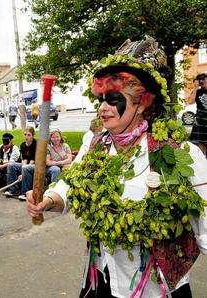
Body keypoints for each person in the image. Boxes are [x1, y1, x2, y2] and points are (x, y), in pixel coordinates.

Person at [26, 36, 207, 297]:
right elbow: (71, 185)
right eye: (100, 99)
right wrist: (49, 200)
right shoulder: (95, 143)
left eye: (113, 99)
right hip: (105, 281)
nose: (102, 108)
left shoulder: (180, 154)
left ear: (143, 101)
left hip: (158, 290)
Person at [19, 129, 72, 200]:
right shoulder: (47, 147)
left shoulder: (65, 146)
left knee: (55, 169)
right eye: (53, 137)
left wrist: (57, 162)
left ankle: (53, 195)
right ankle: (25, 193)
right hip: (44, 167)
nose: (55, 139)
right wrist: (62, 162)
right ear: (50, 138)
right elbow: (48, 162)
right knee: (26, 168)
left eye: (57, 136)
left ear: (60, 137)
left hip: (57, 167)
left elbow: (69, 159)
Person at [4, 126, 37, 197]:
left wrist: (23, 173)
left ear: (33, 135)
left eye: (29, 135)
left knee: (26, 168)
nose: (26, 137)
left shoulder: (36, 144)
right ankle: (13, 190)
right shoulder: (22, 145)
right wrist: (22, 170)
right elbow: (24, 159)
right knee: (11, 165)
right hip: (27, 165)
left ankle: (25, 193)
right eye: (25, 134)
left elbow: (32, 160)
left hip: (35, 165)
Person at [188, 73, 207, 155]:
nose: (202, 81)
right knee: (201, 142)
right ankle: (203, 160)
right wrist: (195, 88)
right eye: (200, 80)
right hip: (200, 119)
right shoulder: (197, 92)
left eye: (203, 79)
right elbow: (190, 101)